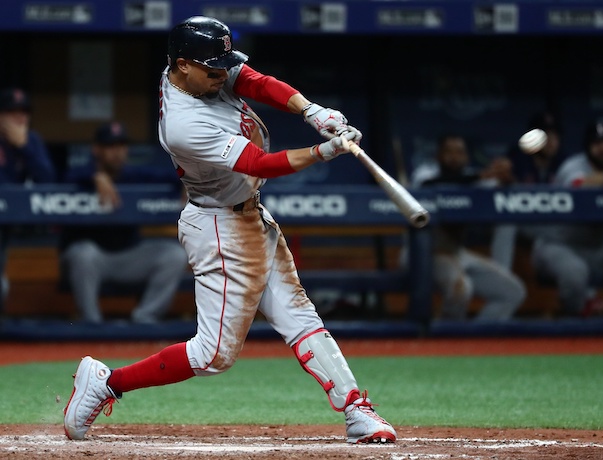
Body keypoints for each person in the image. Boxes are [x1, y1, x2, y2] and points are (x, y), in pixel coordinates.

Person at [63, 16, 396, 445]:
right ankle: (107, 383)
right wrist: (324, 150)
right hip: (219, 225)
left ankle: (357, 410)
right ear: (183, 65)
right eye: (213, 69)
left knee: (299, 315)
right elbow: (258, 163)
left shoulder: (201, 70)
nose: (223, 75)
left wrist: (311, 111)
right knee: (213, 354)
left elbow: (255, 81)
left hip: (249, 213)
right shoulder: (183, 124)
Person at [58, 121, 189, 324]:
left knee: (174, 254)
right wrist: (95, 176)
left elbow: (169, 175)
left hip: (128, 257)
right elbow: (64, 178)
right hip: (93, 260)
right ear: (97, 149)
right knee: (82, 253)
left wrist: (186, 179)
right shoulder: (80, 175)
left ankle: (145, 318)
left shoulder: (132, 175)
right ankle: (92, 323)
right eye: (111, 146)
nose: (117, 152)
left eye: (121, 146)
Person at [531, 116, 603, 316]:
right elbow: (579, 184)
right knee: (575, 272)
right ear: (587, 146)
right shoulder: (572, 166)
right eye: (597, 143)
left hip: (599, 248)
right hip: (558, 245)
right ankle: (574, 326)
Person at [412, 133, 526, 321]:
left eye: (460, 152)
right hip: (422, 253)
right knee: (462, 289)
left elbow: (500, 187)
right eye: (449, 151)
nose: (454, 157)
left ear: (466, 157)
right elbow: (430, 185)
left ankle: (479, 341)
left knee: (513, 292)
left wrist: (505, 178)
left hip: (457, 253)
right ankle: (448, 341)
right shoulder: (425, 173)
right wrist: (480, 176)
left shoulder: (472, 178)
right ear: (438, 155)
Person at [0, 87, 56, 311]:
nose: (20, 117)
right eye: (12, 111)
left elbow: (48, 179)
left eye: (24, 111)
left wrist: (24, 148)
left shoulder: (29, 140)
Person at [491, 110, 568, 269]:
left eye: (555, 135)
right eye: (545, 136)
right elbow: (499, 182)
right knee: (506, 220)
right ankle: (500, 276)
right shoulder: (517, 157)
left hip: (554, 224)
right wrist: (506, 179)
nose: (551, 141)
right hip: (524, 221)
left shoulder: (565, 162)